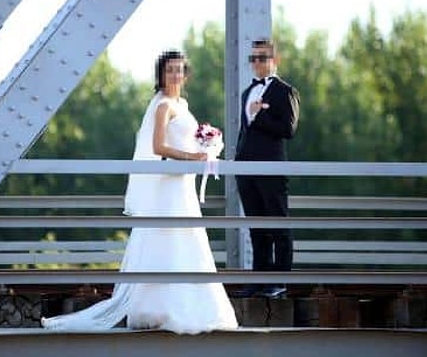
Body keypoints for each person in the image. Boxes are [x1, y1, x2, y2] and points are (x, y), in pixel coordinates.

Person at [41, 50, 238, 333]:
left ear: (185, 74)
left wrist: (207, 148)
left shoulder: (183, 104)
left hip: (184, 185)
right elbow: (158, 148)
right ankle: (158, 309)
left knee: (188, 238)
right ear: (161, 74)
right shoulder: (163, 106)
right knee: (166, 237)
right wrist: (191, 157)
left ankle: (194, 307)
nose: (175, 75)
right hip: (169, 182)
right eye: (169, 70)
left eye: (179, 70)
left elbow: (185, 140)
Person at [233, 38, 300, 299]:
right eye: (253, 58)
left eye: (262, 57)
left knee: (278, 225)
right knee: (256, 228)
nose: (257, 63)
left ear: (275, 60)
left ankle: (279, 282)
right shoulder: (246, 92)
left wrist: (261, 115)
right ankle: (258, 282)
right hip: (245, 170)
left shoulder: (285, 91)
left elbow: (289, 129)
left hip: (271, 169)